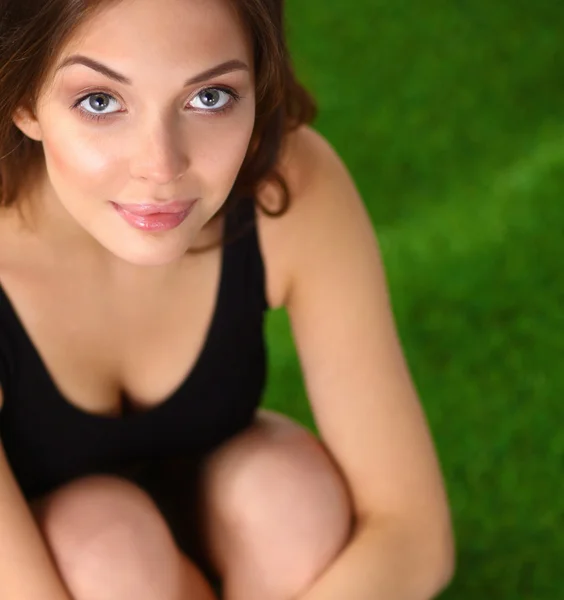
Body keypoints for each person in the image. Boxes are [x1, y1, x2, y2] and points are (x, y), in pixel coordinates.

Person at [0, 0, 455, 598]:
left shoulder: (288, 190)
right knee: (106, 546)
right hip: (63, 570)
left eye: (209, 97)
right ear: (23, 100)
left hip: (228, 540)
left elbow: (412, 536)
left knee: (287, 496)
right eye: (100, 102)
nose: (161, 167)